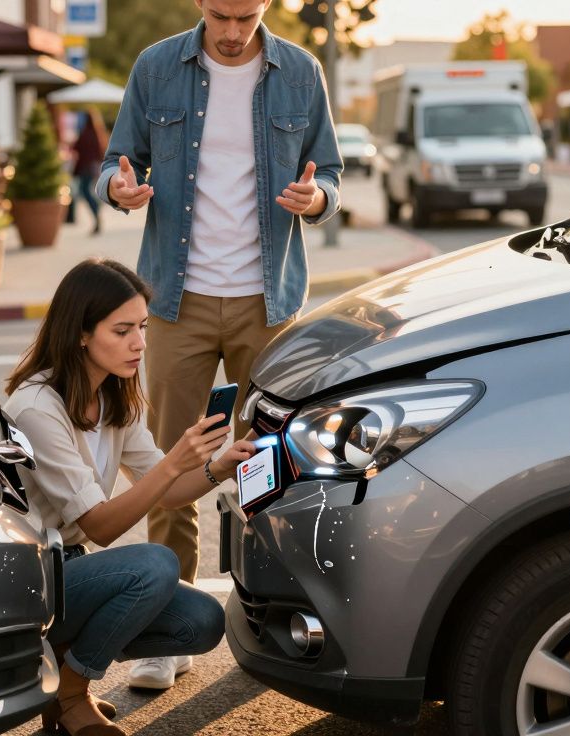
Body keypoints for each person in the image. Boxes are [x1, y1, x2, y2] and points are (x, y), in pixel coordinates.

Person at [97, 0, 343, 688]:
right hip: (177, 301)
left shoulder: (300, 72)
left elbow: (330, 171)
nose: (233, 32)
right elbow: (116, 163)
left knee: (270, 467)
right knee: (170, 467)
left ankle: (275, 621)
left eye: (247, 16)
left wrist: (317, 200)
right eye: (220, 15)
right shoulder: (156, 68)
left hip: (269, 303)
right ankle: (166, 633)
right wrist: (118, 189)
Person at [4, 259, 256, 733]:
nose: (139, 343)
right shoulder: (37, 407)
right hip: (30, 579)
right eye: (122, 331)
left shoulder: (114, 395)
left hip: (69, 569)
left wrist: (218, 467)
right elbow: (101, 527)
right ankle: (71, 691)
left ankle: (61, 661)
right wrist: (173, 462)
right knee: (155, 564)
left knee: (202, 620)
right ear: (81, 334)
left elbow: (169, 493)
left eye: (142, 327)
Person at [72, 108, 108, 235]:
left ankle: (96, 207)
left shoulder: (84, 134)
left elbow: (76, 147)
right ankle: (96, 208)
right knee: (87, 190)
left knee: (85, 191)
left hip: (85, 168)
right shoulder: (98, 134)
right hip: (93, 168)